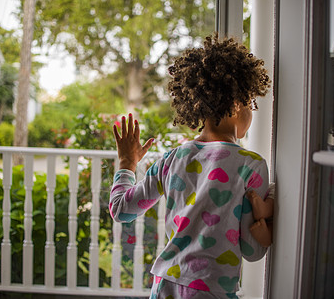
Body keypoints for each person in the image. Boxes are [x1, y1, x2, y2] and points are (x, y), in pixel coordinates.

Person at [109, 33, 272, 299]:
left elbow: (121, 210)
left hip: (165, 285)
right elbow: (253, 250)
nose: (251, 112)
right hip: (212, 290)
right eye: (250, 103)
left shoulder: (172, 159)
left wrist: (127, 162)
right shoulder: (251, 166)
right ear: (235, 104)